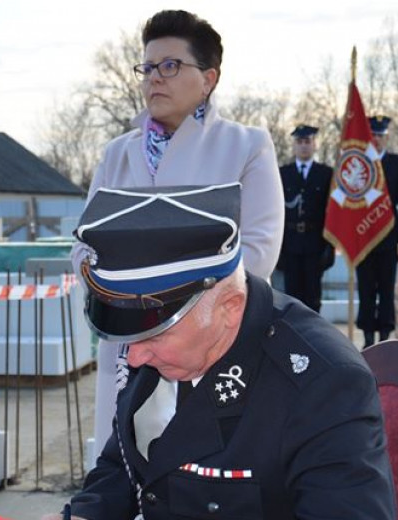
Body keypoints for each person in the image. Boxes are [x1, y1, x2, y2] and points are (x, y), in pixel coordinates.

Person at [17, 183, 397, 520]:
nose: (133, 358)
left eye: (151, 336)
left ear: (229, 307)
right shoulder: (167, 344)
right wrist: (88, 519)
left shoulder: (323, 382)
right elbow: (133, 463)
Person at [77, 9, 284, 461]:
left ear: (208, 78)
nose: (155, 78)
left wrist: (182, 311)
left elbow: (259, 250)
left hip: (210, 342)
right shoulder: (118, 155)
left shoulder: (245, 146)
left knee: (201, 472)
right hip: (127, 340)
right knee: (124, 464)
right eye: (148, 67)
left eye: (170, 65)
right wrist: (120, 300)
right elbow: (85, 246)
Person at [357, 115, 398, 348]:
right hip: (364, 238)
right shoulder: (358, 164)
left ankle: (385, 336)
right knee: (366, 289)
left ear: (387, 137)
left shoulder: (397, 164)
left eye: (380, 135)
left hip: (389, 238)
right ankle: (368, 336)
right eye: (373, 135)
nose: (377, 140)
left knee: (386, 290)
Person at [277, 124, 334, 313]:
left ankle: (313, 340)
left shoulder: (326, 174)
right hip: (290, 244)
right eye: (299, 142)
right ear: (293, 146)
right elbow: (275, 212)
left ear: (315, 144)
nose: (303, 146)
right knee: (291, 298)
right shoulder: (282, 174)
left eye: (307, 141)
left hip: (315, 244)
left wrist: (329, 247)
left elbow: (332, 212)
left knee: (313, 297)